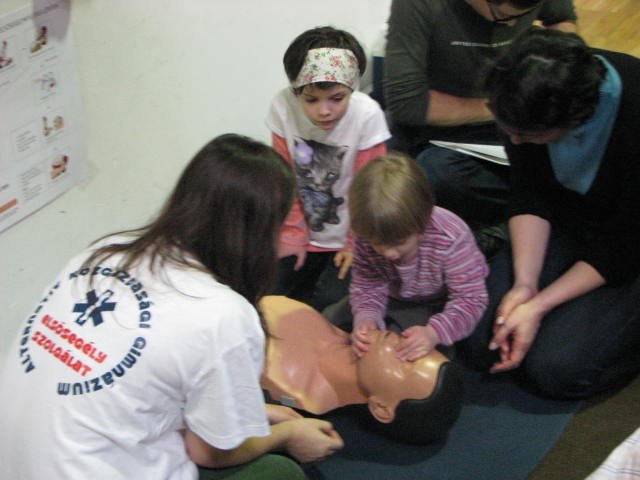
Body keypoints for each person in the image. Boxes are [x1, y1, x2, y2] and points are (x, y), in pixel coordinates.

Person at [0, 134, 343, 480]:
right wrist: (287, 435)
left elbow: (131, 386)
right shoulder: (222, 315)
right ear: (260, 231)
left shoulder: (105, 251)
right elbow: (209, 453)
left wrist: (252, 414)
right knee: (279, 472)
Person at [458, 28, 640, 400]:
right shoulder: (521, 94)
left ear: (576, 119)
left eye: (527, 135)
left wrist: (541, 305)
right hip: (572, 221)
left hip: (629, 245)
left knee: (556, 369)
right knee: (476, 334)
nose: (515, 140)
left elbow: (622, 245)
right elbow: (529, 190)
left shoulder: (631, 112)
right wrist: (525, 284)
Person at [383, 0, 577, 254]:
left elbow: (562, 19)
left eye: (526, 15)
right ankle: (535, 207)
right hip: (465, 114)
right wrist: (504, 104)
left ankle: (529, 211)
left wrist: (559, 73)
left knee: (434, 174)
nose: (513, 25)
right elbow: (407, 103)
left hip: (510, 113)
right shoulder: (418, 5)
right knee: (389, 173)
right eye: (502, 16)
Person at [266, 26, 391, 311]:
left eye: (337, 98)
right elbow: (284, 178)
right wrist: (292, 234)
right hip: (301, 231)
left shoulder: (367, 115)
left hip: (351, 235)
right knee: (273, 296)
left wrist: (355, 244)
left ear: (351, 88)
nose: (324, 111)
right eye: (311, 100)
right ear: (296, 91)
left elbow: (369, 190)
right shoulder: (282, 106)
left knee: (328, 305)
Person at [325, 152, 489, 363]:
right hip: (393, 296)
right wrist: (366, 317)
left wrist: (434, 332)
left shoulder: (452, 237)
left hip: (436, 304)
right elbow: (367, 285)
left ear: (423, 224)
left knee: (399, 353)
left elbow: (471, 300)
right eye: (378, 243)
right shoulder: (366, 235)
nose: (389, 253)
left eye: (399, 242)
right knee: (329, 321)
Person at [260, 295, 464, 444]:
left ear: (381, 408)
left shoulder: (298, 391)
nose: (403, 342)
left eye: (408, 362)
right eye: (421, 348)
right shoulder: (334, 327)